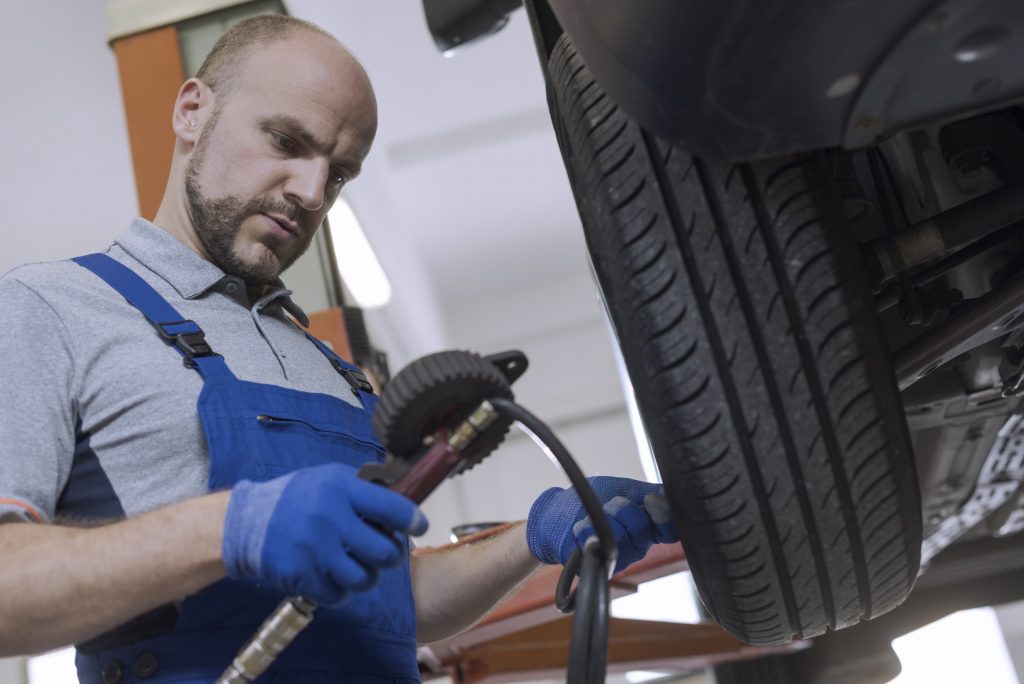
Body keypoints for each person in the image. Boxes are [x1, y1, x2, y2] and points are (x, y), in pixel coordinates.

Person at [0, 15, 678, 683]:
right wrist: (230, 529)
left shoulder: (333, 367)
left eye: (340, 172)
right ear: (191, 111)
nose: (311, 191)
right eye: (286, 141)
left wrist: (531, 537)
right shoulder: (54, 308)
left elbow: (393, 599)